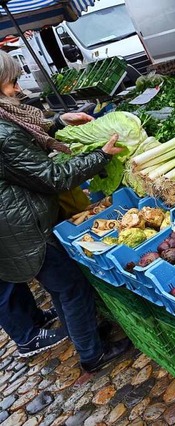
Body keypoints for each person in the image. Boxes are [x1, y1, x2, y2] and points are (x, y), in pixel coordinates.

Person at [0, 50, 130, 371]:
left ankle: (82, 334)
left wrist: (58, 121)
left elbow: (32, 138)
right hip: (26, 228)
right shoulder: (3, 132)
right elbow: (53, 177)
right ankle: (92, 354)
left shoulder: (8, 118)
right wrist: (101, 155)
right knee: (71, 286)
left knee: (59, 287)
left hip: (21, 222)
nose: (17, 89)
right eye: (11, 82)